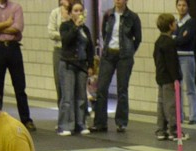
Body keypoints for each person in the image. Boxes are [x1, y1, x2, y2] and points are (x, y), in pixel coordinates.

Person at [0, 0, 35, 131]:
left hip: (13, 49)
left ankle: (26, 119)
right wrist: (6, 23)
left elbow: (18, 27)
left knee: (20, 86)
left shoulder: (16, 7)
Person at [91, 0, 141, 133]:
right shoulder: (108, 15)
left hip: (124, 56)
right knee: (101, 88)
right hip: (108, 55)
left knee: (122, 89)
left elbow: (138, 38)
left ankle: (121, 122)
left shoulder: (133, 17)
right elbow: (104, 32)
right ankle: (100, 122)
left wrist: (129, 51)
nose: (118, 1)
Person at [57, 0, 93, 136]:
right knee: (67, 97)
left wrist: (90, 65)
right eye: (76, 11)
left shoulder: (86, 29)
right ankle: (64, 125)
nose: (78, 13)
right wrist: (75, 27)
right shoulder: (65, 26)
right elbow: (66, 41)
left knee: (81, 96)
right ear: (71, 13)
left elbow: (89, 48)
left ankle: (80, 123)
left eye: (80, 11)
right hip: (68, 64)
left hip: (82, 65)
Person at [154, 12, 187, 141]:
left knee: (161, 104)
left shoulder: (158, 41)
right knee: (171, 105)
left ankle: (161, 130)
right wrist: (176, 78)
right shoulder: (169, 43)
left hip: (161, 77)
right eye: (174, 22)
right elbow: (172, 62)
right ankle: (174, 131)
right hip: (169, 78)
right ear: (170, 25)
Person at [174, 0, 196, 125]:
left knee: (190, 87)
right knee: (177, 87)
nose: (181, 8)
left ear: (188, 7)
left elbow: (185, 39)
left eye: (184, 5)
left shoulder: (191, 23)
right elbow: (174, 38)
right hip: (176, 57)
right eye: (179, 5)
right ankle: (179, 115)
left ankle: (194, 115)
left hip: (187, 57)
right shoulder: (175, 23)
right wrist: (178, 38)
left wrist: (177, 38)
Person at [47, 0, 70, 106]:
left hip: (73, 51)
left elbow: (79, 31)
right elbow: (51, 33)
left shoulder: (78, 11)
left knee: (72, 85)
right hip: (59, 50)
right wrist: (67, 35)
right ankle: (62, 115)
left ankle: (76, 117)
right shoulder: (55, 13)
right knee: (59, 84)